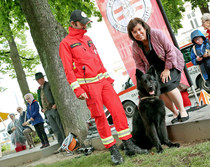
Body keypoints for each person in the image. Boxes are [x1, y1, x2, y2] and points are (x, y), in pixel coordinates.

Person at [59, 10, 147, 165]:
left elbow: (97, 59)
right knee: (100, 116)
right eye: (82, 22)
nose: (85, 24)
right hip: (88, 86)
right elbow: (68, 70)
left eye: (86, 21)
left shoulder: (88, 39)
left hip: (103, 83)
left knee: (118, 111)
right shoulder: (65, 44)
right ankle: (113, 150)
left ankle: (129, 145)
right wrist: (77, 89)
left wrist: (107, 77)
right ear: (73, 23)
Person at [127, 17, 189, 124]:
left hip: (172, 63)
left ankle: (183, 111)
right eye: (134, 32)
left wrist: (167, 69)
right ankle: (175, 112)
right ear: (131, 34)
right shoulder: (135, 46)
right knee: (157, 92)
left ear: (144, 27)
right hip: (156, 71)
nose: (138, 33)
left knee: (168, 85)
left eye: (139, 29)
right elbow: (139, 64)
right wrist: (142, 78)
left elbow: (170, 51)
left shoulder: (157, 34)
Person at [35, 72, 65, 146]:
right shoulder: (39, 89)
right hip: (47, 111)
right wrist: (42, 108)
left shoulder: (48, 85)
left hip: (53, 108)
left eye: (40, 79)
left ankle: (65, 143)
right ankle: (61, 144)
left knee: (60, 126)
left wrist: (55, 104)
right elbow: (40, 99)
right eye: (38, 80)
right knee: (54, 128)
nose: (39, 81)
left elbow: (55, 94)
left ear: (43, 78)